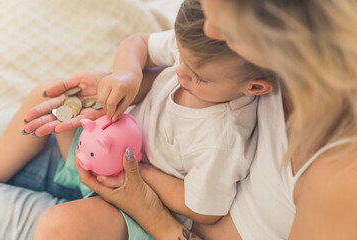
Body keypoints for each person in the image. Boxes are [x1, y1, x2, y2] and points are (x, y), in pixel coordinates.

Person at [72, 0, 357, 239]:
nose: (208, 29)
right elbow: (176, 65)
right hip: (136, 179)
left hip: (160, 214)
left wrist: (146, 205)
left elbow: (202, 208)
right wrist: (128, 82)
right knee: (51, 104)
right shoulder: (246, 63)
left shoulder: (338, 175)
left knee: (62, 226)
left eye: (228, 30)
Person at [33, 0, 274, 238]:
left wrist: (138, 172)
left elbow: (203, 209)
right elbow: (139, 42)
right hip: (101, 155)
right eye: (181, 57)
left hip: (137, 205)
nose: (179, 72)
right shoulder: (200, 44)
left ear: (254, 87)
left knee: (60, 226)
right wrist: (128, 74)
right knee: (48, 95)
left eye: (198, 77)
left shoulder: (222, 139)